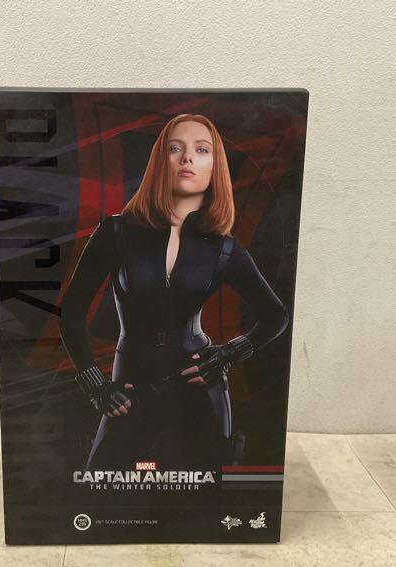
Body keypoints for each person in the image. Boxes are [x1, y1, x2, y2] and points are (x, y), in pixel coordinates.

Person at [59, 113, 289, 471]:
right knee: (101, 484)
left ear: (215, 166)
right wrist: (96, 386)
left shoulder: (223, 248)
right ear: (159, 160)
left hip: (201, 385)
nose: (187, 158)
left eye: (201, 150)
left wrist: (228, 355)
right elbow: (71, 313)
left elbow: (275, 315)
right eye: (175, 148)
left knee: (207, 492)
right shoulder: (116, 233)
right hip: (130, 387)